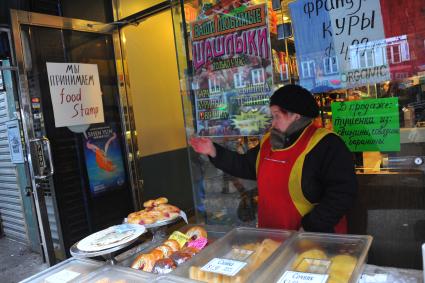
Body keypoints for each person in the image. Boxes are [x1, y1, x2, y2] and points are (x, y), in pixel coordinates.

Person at [190, 84, 357, 233]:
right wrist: (213, 151)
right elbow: (246, 166)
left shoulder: (327, 144)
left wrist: (310, 226)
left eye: (277, 116)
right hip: (271, 235)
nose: (273, 123)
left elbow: (342, 193)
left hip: (313, 238)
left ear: (296, 116)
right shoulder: (270, 141)